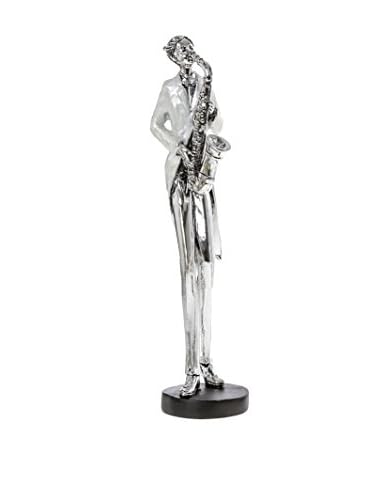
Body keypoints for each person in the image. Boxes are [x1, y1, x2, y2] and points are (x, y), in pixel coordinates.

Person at [150, 36, 225, 397]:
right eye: (180, 52)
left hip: (202, 178)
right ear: (172, 57)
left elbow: (219, 121)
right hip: (182, 175)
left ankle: (207, 361)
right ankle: (191, 367)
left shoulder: (204, 83)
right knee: (190, 269)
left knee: (207, 268)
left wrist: (207, 125)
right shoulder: (168, 88)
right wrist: (178, 144)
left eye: (188, 50)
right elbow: (155, 125)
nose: (186, 56)